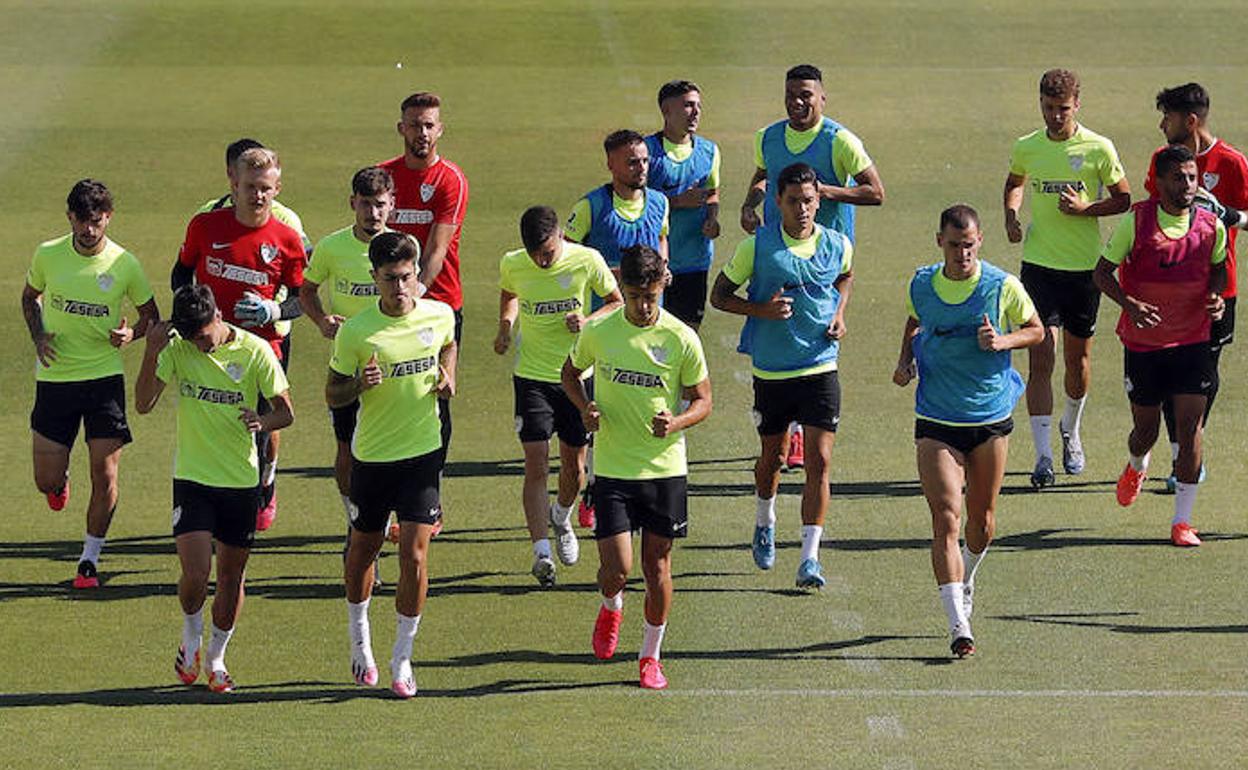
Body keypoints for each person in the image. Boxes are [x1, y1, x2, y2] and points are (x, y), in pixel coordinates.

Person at [893, 205, 1043, 658]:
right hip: (937, 418)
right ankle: (958, 623)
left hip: (989, 419)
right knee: (946, 516)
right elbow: (915, 321)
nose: (962, 253)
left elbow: (1036, 331)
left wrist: (1003, 341)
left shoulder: (1002, 286)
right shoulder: (922, 283)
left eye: (969, 245)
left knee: (981, 523)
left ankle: (968, 575)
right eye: (954, 245)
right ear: (940, 241)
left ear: (981, 243)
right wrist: (906, 361)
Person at [562, 244, 711, 690]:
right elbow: (570, 374)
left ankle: (650, 655)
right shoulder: (600, 331)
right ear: (622, 289)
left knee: (657, 567)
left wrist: (677, 421)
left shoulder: (681, 337)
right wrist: (584, 406)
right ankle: (611, 606)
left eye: (651, 295)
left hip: (664, 470)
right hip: (612, 470)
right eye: (634, 296)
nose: (644, 306)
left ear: (663, 285)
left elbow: (704, 400)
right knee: (616, 568)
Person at [135, 284, 293, 693]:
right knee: (195, 571)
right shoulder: (179, 349)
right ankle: (191, 638)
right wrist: (152, 350)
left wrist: (262, 422)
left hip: (240, 482)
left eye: (204, 336)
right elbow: (143, 404)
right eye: (193, 339)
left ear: (218, 316)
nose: (200, 346)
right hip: (192, 478)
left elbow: (285, 413)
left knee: (230, 577)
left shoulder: (255, 351)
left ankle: (217, 659)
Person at [326, 231, 457, 698]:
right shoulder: (357, 331)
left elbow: (447, 343)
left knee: (415, 555)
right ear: (374, 278)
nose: (400, 288)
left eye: (406, 278)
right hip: (373, 458)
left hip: (422, 455)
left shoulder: (438, 314)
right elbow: (332, 392)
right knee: (363, 550)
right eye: (390, 279)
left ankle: (402, 658)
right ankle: (360, 639)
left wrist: (448, 374)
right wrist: (359, 384)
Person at [710, 162, 853, 589]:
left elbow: (844, 278)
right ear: (778, 202)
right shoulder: (757, 247)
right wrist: (761, 311)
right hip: (772, 370)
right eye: (793, 201)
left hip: (821, 364)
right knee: (771, 458)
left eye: (809, 200)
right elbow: (719, 295)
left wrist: (840, 314)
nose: (803, 209)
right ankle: (764, 519)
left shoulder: (838, 244)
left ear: (818, 199)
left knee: (819, 461)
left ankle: (810, 557)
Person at [739, 63, 884, 471]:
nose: (798, 102)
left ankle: (801, 435)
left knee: (815, 342)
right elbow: (763, 176)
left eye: (806, 94)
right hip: (777, 255)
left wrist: (825, 190)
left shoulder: (840, 141)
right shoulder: (768, 137)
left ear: (822, 97)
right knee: (775, 331)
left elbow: (876, 191)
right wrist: (750, 204)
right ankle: (781, 429)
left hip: (824, 264)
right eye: (791, 95)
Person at [22, 179, 159, 589]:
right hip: (56, 379)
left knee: (105, 474)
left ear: (108, 218)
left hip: (103, 381)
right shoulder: (48, 254)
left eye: (96, 221)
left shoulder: (125, 264)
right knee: (45, 479)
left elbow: (150, 314)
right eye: (81, 221)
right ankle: (58, 484)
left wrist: (130, 335)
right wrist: (38, 335)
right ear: (70, 218)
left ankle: (89, 559)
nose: (88, 229)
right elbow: (30, 297)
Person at [1003, 68, 1131, 488]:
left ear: (1077, 105)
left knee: (1078, 363)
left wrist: (1085, 209)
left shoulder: (1098, 147)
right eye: (1047, 108)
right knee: (1042, 357)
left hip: (1083, 272)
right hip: (1039, 267)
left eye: (1062, 109)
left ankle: (1070, 431)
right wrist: (1011, 213)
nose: (1055, 116)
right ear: (1039, 103)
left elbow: (1124, 199)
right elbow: (1014, 182)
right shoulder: (1027, 146)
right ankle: (1042, 458)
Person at [1093, 145, 1226, 547]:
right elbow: (1101, 274)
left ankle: (1182, 522)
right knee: (1145, 431)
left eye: (1192, 177)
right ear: (1161, 181)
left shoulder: (1210, 225)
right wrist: (1129, 304)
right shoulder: (1137, 222)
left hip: (1193, 340)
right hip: (1144, 344)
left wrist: (1216, 298)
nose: (1188, 185)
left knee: (1190, 430)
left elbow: (1218, 271)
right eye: (1179, 177)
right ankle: (1136, 465)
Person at [173, 146, 306, 531]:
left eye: (265, 187)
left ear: (277, 187)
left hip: (262, 350)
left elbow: (302, 300)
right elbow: (180, 274)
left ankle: (264, 481)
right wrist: (190, 311)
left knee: (263, 428)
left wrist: (274, 311)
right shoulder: (205, 226)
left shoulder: (287, 239)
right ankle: (213, 509)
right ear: (233, 182)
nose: (257, 195)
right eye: (249, 186)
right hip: (209, 344)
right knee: (216, 423)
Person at [495, 206, 622, 586]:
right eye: (535, 254)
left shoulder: (587, 260)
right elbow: (510, 295)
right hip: (531, 377)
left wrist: (588, 321)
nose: (542, 260)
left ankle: (562, 517)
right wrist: (505, 327)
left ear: (561, 238)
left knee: (575, 469)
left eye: (547, 252)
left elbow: (615, 301)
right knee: (535, 463)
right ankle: (541, 553)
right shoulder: (514, 263)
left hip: (575, 378)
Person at [1145, 83, 1248, 491]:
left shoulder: (1232, 162)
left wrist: (1227, 215)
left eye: (1167, 118)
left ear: (1190, 121)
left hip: (1217, 290)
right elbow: (1151, 214)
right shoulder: (1161, 161)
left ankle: (1190, 451)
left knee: (1204, 374)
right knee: (1172, 375)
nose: (1161, 126)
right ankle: (1180, 454)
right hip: (1170, 288)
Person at [299, 166, 398, 583]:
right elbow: (306, 289)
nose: (373, 213)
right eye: (365, 204)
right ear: (352, 203)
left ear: (391, 204)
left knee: (391, 449)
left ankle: (382, 521)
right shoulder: (331, 247)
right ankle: (354, 519)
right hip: (345, 365)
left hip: (393, 368)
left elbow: (413, 299)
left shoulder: (401, 246)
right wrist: (322, 320)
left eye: (380, 204)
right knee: (346, 447)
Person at [379, 92, 469, 524]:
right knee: (381, 396)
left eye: (430, 124)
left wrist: (414, 296)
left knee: (437, 398)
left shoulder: (450, 179)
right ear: (401, 128)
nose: (423, 132)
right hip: (389, 307)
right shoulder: (384, 177)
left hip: (438, 306)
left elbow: (437, 249)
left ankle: (428, 497)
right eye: (415, 124)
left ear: (441, 128)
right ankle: (384, 500)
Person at [644, 80, 721, 330]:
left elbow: (712, 194)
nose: (696, 112)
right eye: (688, 105)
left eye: (698, 105)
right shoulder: (647, 152)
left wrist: (712, 220)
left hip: (695, 260)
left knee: (688, 332)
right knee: (651, 331)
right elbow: (634, 202)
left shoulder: (709, 152)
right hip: (653, 262)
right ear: (667, 110)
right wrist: (676, 202)